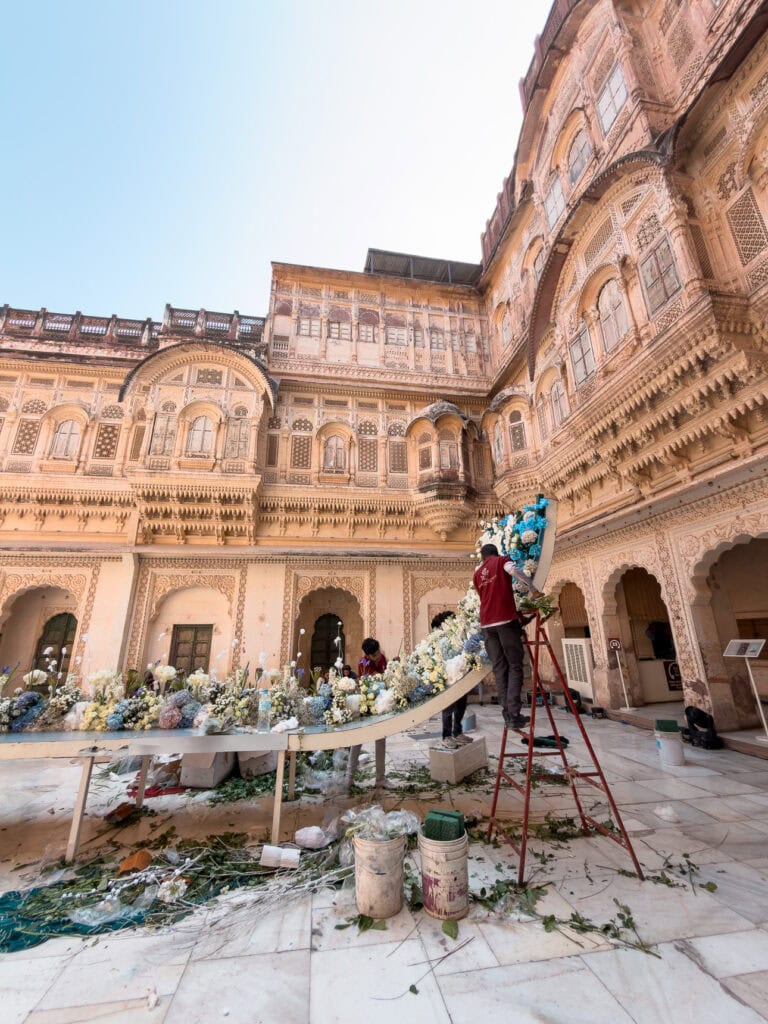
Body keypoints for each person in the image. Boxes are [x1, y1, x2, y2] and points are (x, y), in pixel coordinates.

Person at [473, 543, 542, 730]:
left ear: (482, 557)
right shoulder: (502, 561)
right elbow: (515, 571)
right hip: (504, 620)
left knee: (499, 667)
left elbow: (483, 597)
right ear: (496, 553)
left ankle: (507, 713)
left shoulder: (477, 574)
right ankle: (513, 713)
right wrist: (532, 588)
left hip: (487, 624)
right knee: (514, 665)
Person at [347, 637, 388, 788]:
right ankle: (349, 778)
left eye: (378, 653)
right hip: (366, 704)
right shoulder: (362, 664)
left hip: (381, 704)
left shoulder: (382, 657)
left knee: (381, 737)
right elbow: (367, 682)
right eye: (374, 655)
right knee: (358, 739)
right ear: (367, 655)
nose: (378, 656)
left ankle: (380, 779)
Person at [431, 610, 472, 750]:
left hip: (460, 674)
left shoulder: (456, 634)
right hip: (448, 677)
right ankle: (446, 736)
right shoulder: (439, 638)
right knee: (448, 707)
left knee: (462, 704)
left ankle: (458, 732)